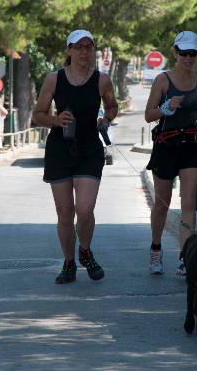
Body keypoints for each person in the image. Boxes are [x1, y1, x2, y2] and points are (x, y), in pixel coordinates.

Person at [33, 29, 118, 284]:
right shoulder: (54, 79)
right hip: (60, 148)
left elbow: (113, 106)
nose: (84, 51)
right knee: (65, 212)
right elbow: (38, 114)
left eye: (88, 47)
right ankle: (69, 262)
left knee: (85, 208)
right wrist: (56, 120)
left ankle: (86, 250)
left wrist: (107, 117)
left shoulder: (102, 80)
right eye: (79, 47)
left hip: (90, 148)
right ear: (68, 51)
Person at [144, 31, 197, 277]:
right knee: (163, 202)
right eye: (184, 53)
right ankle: (156, 249)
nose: (189, 58)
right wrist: (165, 108)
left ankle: (186, 257)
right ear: (175, 53)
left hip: (191, 144)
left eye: (193, 53)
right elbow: (148, 115)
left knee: (189, 202)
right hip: (166, 145)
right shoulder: (163, 80)